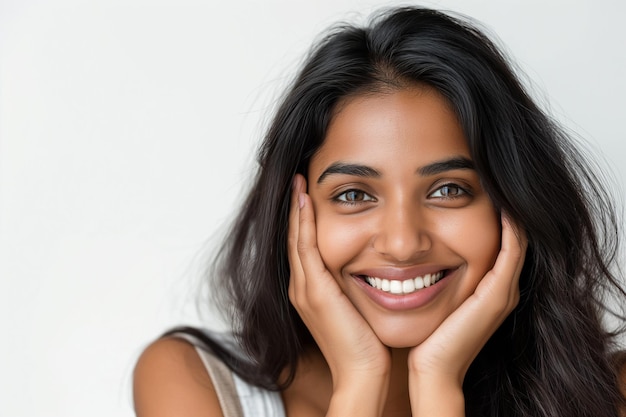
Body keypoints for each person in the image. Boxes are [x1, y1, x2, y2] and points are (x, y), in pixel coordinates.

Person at [133, 6, 626, 416]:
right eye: (353, 195)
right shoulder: (198, 385)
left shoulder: (610, 395)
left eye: (449, 189)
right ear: (295, 213)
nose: (402, 242)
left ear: (515, 203)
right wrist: (359, 383)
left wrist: (436, 388)